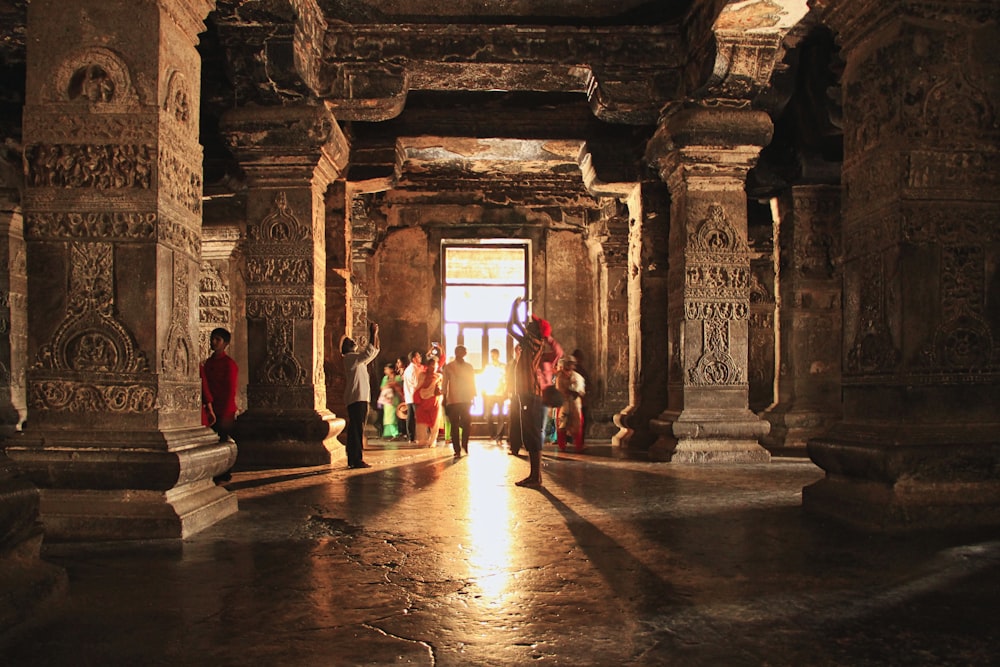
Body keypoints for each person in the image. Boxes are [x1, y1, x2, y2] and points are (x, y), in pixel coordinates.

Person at [507, 296, 562, 487]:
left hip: (530, 395)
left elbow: (514, 324)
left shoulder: (534, 342)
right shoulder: (529, 343)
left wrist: (515, 307)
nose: (529, 325)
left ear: (537, 332)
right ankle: (534, 476)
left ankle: (536, 477)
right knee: (529, 435)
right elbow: (510, 327)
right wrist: (514, 309)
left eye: (532, 324)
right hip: (527, 395)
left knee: (531, 434)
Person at [201, 327, 239, 482]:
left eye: (218, 339)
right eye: (212, 338)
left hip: (224, 410)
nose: (214, 342)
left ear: (225, 344)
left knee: (223, 441)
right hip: (210, 408)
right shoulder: (208, 363)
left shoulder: (229, 365)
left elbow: (230, 390)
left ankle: (224, 471)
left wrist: (221, 412)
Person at [341, 321, 380, 469]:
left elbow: (374, 352)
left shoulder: (358, 361)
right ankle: (356, 459)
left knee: (356, 429)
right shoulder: (349, 358)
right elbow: (369, 353)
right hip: (356, 398)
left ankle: (353, 457)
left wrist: (376, 335)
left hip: (360, 398)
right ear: (345, 348)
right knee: (357, 429)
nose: (353, 342)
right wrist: (372, 333)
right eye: (349, 342)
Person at [442, 345, 477, 457]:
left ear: (465, 354)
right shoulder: (449, 367)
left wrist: (473, 396)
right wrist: (444, 397)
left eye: (463, 352)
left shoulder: (469, 367)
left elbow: (472, 382)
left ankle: (465, 444)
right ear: (456, 353)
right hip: (453, 399)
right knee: (454, 425)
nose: (461, 354)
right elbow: (444, 383)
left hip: (466, 399)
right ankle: (457, 449)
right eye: (459, 351)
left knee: (467, 424)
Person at [414, 344, 444, 447]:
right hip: (423, 401)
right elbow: (418, 387)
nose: (433, 367)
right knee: (421, 422)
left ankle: (432, 441)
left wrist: (441, 349)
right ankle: (422, 441)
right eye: (431, 365)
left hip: (434, 402)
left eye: (435, 366)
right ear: (428, 365)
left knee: (435, 423)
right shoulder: (422, 375)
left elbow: (441, 389)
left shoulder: (439, 376)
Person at [555, 356, 586, 452]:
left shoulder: (576, 376)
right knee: (562, 424)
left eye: (572, 364)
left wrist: (578, 392)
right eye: (569, 364)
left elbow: (581, 389)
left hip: (575, 403)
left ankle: (578, 445)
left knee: (578, 424)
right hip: (564, 403)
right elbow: (560, 389)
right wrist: (570, 391)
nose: (571, 366)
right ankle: (562, 445)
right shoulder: (560, 376)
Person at [478, 348, 507, 444]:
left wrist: (505, 390)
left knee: (501, 416)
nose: (493, 357)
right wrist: (483, 390)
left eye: (494, 355)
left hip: (500, 393)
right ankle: (493, 434)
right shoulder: (488, 367)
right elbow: (485, 379)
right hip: (490, 392)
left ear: (498, 355)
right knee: (489, 415)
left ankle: (499, 437)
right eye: (491, 355)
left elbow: (506, 379)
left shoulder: (503, 366)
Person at [402, 350, 424, 444]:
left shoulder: (408, 369)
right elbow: (416, 383)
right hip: (415, 396)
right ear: (414, 359)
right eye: (418, 356)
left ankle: (411, 437)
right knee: (417, 417)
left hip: (409, 396)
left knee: (410, 417)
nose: (420, 358)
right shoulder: (414, 369)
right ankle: (416, 436)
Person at [377, 363, 402, 439]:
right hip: (386, 401)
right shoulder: (385, 378)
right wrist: (387, 386)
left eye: (386, 369)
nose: (385, 371)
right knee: (387, 417)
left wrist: (394, 385)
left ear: (391, 369)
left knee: (393, 417)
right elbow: (382, 388)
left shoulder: (398, 378)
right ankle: (387, 434)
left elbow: (400, 388)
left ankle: (395, 433)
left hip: (394, 400)